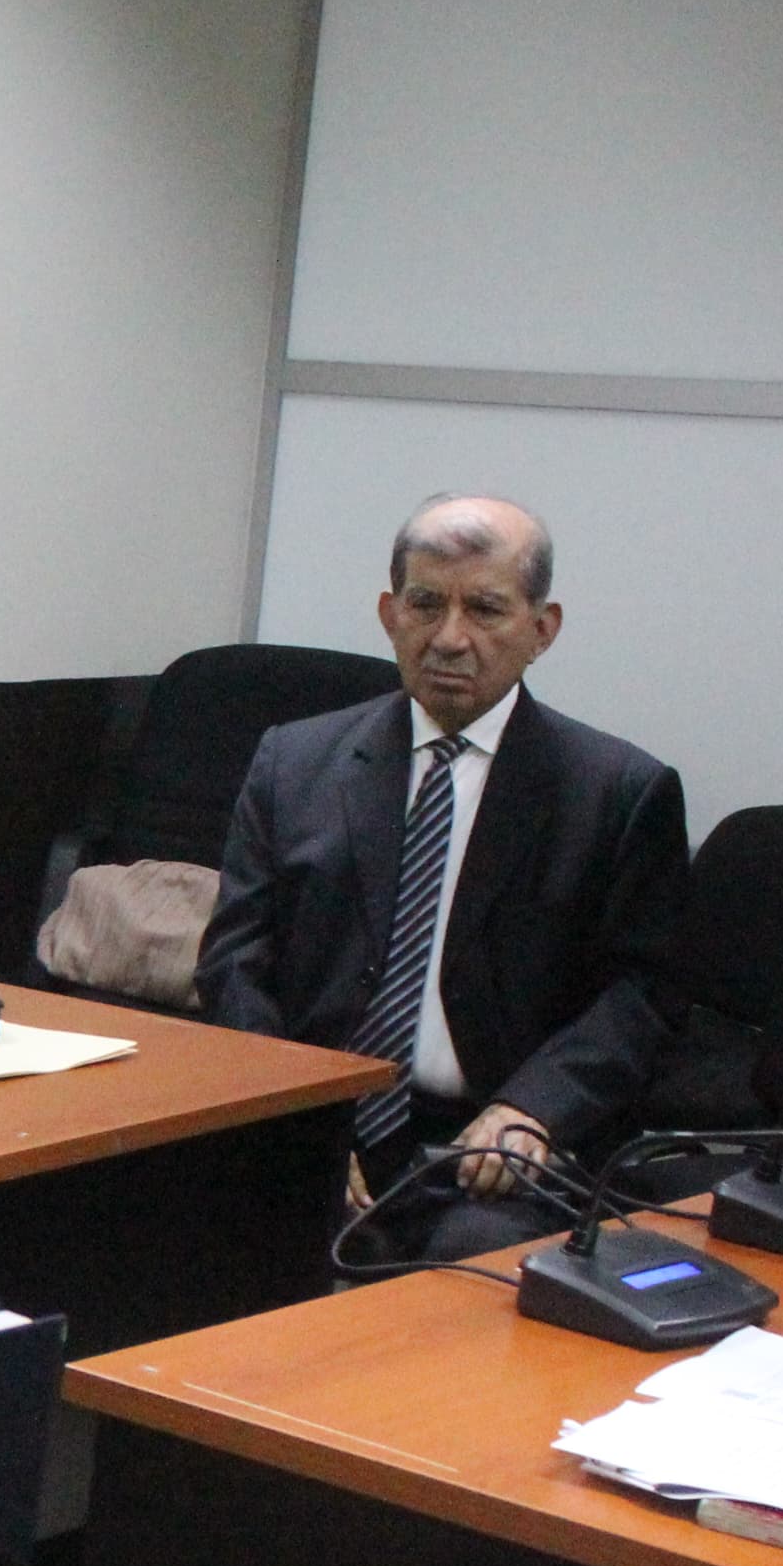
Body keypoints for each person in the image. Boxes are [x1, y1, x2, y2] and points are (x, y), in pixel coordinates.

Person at [197, 495, 689, 1260]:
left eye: (486, 609)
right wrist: (293, 1120)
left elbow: (644, 994)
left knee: (470, 1279)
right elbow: (235, 957)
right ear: (390, 614)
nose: (450, 638)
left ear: (542, 629)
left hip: (492, 1146)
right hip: (318, 1117)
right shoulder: (295, 762)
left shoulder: (616, 792)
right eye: (426, 604)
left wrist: (534, 1109)